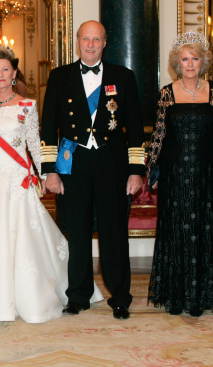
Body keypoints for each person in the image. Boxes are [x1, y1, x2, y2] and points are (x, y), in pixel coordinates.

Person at [0, 47, 101, 324]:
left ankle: (41, 293)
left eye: (5, 70)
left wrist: (47, 174)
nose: (0, 74)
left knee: (21, 237)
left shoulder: (27, 106)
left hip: (15, 178)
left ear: (14, 74)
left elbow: (35, 145)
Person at [41, 20, 145, 320]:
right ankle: (78, 295)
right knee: (77, 230)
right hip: (74, 164)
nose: (90, 45)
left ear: (104, 42)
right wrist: (50, 170)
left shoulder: (123, 76)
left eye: (96, 40)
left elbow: (136, 128)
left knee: (114, 232)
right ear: (77, 42)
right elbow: (49, 126)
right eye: (85, 39)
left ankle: (120, 296)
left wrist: (135, 170)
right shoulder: (60, 76)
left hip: (112, 163)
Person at [146, 31, 213, 317]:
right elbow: (159, 134)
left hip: (205, 173)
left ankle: (201, 296)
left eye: (195, 58)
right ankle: (176, 296)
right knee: (177, 230)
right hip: (174, 173)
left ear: (202, 62)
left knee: (203, 230)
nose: (190, 64)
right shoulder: (167, 94)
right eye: (185, 59)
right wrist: (151, 168)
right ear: (177, 63)